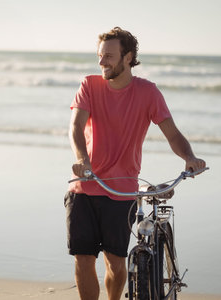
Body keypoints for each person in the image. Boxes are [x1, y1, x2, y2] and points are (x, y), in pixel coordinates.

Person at [65, 27, 206, 300]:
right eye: (100, 55)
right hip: (86, 185)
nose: (101, 62)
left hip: (121, 190)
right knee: (83, 260)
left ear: (128, 57)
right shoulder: (89, 86)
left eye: (109, 56)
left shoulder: (148, 93)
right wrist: (82, 159)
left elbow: (173, 134)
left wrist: (189, 157)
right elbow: (75, 126)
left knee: (116, 264)